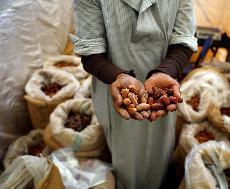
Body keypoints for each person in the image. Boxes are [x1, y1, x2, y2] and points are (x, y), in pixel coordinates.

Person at [71, 0, 198, 188]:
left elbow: (185, 38)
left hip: (162, 86)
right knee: (124, 156)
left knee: (159, 151)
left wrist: (164, 72)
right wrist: (117, 77)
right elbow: (90, 53)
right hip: (115, 89)